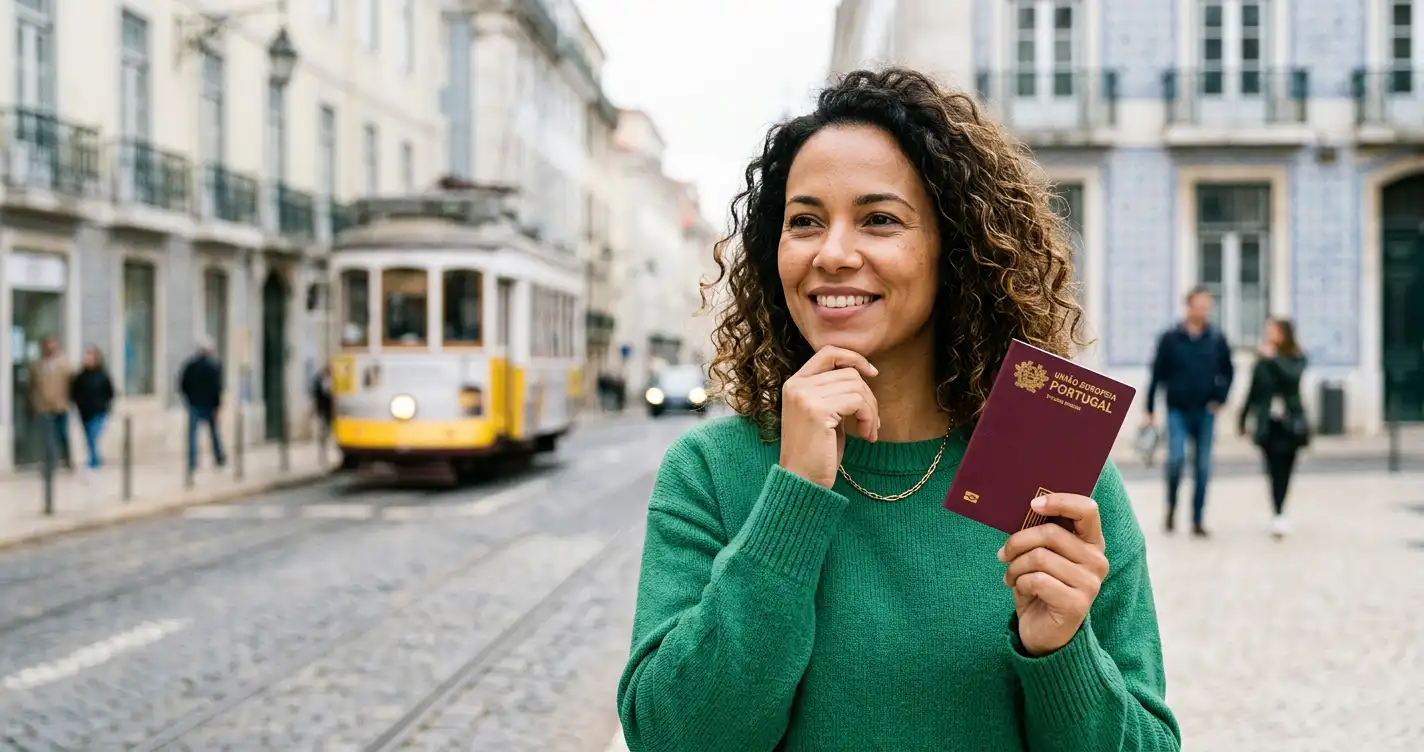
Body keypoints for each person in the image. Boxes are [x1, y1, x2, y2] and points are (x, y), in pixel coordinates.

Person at [616, 68, 1180, 751]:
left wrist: (1061, 651)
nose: (833, 253)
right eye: (805, 223)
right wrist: (792, 498)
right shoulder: (710, 470)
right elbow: (673, 738)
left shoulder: (1056, 475)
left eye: (879, 220)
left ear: (956, 248)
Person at [1144, 286, 1234, 537]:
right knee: (1176, 460)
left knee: (1203, 467)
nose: (1203, 310)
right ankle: (1171, 507)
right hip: (1177, 410)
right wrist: (1149, 408)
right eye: (1199, 305)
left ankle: (1197, 519)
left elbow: (1228, 371)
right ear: (1189, 306)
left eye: (1207, 306)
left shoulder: (1216, 338)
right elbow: (1156, 374)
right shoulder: (1171, 338)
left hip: (1205, 411)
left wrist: (1221, 398)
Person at [1238, 318, 1308, 539]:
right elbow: (1253, 391)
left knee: (1286, 468)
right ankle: (1277, 511)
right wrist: (1243, 418)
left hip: (1290, 423)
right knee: (1272, 468)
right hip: (1268, 424)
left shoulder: (1296, 357)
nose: (1269, 335)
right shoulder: (1262, 361)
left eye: (1273, 331)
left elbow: (1292, 377)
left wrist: (1274, 358)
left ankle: (1280, 509)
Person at [178, 338, 226, 471]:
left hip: (194, 404)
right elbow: (217, 388)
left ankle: (192, 461)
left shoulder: (190, 366)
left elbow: (182, 385)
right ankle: (219, 457)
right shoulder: (214, 366)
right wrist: (217, 406)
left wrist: (189, 400)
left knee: (192, 435)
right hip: (209, 405)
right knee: (214, 433)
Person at [28, 336, 74, 470]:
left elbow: (72, 383)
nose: (50, 348)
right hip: (44, 406)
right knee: (48, 437)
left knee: (62, 434)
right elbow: (32, 386)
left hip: (61, 405)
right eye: (47, 346)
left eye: (52, 345)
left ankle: (67, 459)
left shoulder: (65, 364)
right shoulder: (37, 366)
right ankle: (50, 463)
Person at [70, 345, 116, 476]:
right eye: (86, 357)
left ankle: (93, 463)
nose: (88, 360)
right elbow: (74, 392)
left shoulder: (102, 376)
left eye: (90, 357)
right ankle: (95, 460)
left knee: (93, 437)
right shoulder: (80, 376)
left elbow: (110, 392)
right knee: (88, 439)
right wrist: (78, 403)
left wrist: (105, 405)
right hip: (84, 412)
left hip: (99, 411)